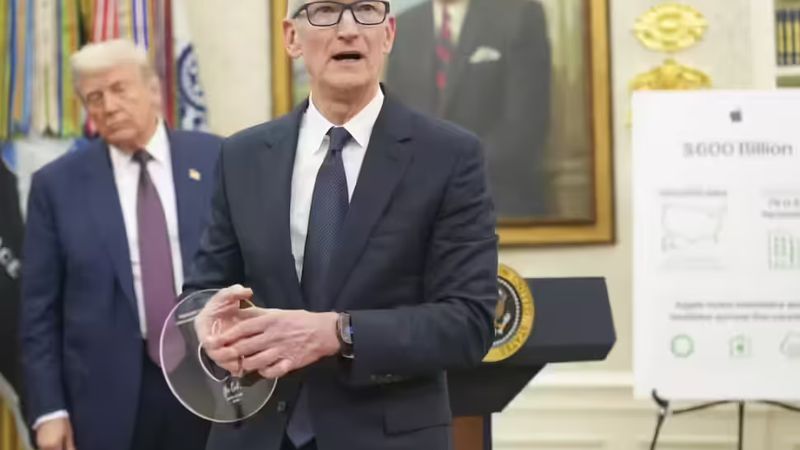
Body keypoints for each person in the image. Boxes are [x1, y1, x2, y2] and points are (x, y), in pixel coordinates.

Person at [184, 0, 499, 449]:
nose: (349, 29)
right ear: (292, 38)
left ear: (387, 33)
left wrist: (337, 332)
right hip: (255, 434)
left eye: (366, 11)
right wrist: (206, 326)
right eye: (326, 11)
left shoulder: (449, 157)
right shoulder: (242, 156)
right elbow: (202, 293)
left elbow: (468, 324)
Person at [20, 39, 220, 450]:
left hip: (210, 381)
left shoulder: (218, 157)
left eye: (119, 89)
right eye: (94, 97)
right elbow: (39, 311)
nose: (108, 106)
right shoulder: (56, 186)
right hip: (103, 399)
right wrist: (49, 411)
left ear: (152, 89)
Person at [386, 0, 551, 218]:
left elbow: (525, 129)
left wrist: (448, 175)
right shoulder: (404, 26)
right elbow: (396, 126)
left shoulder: (520, 16)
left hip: (499, 209)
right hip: (420, 218)